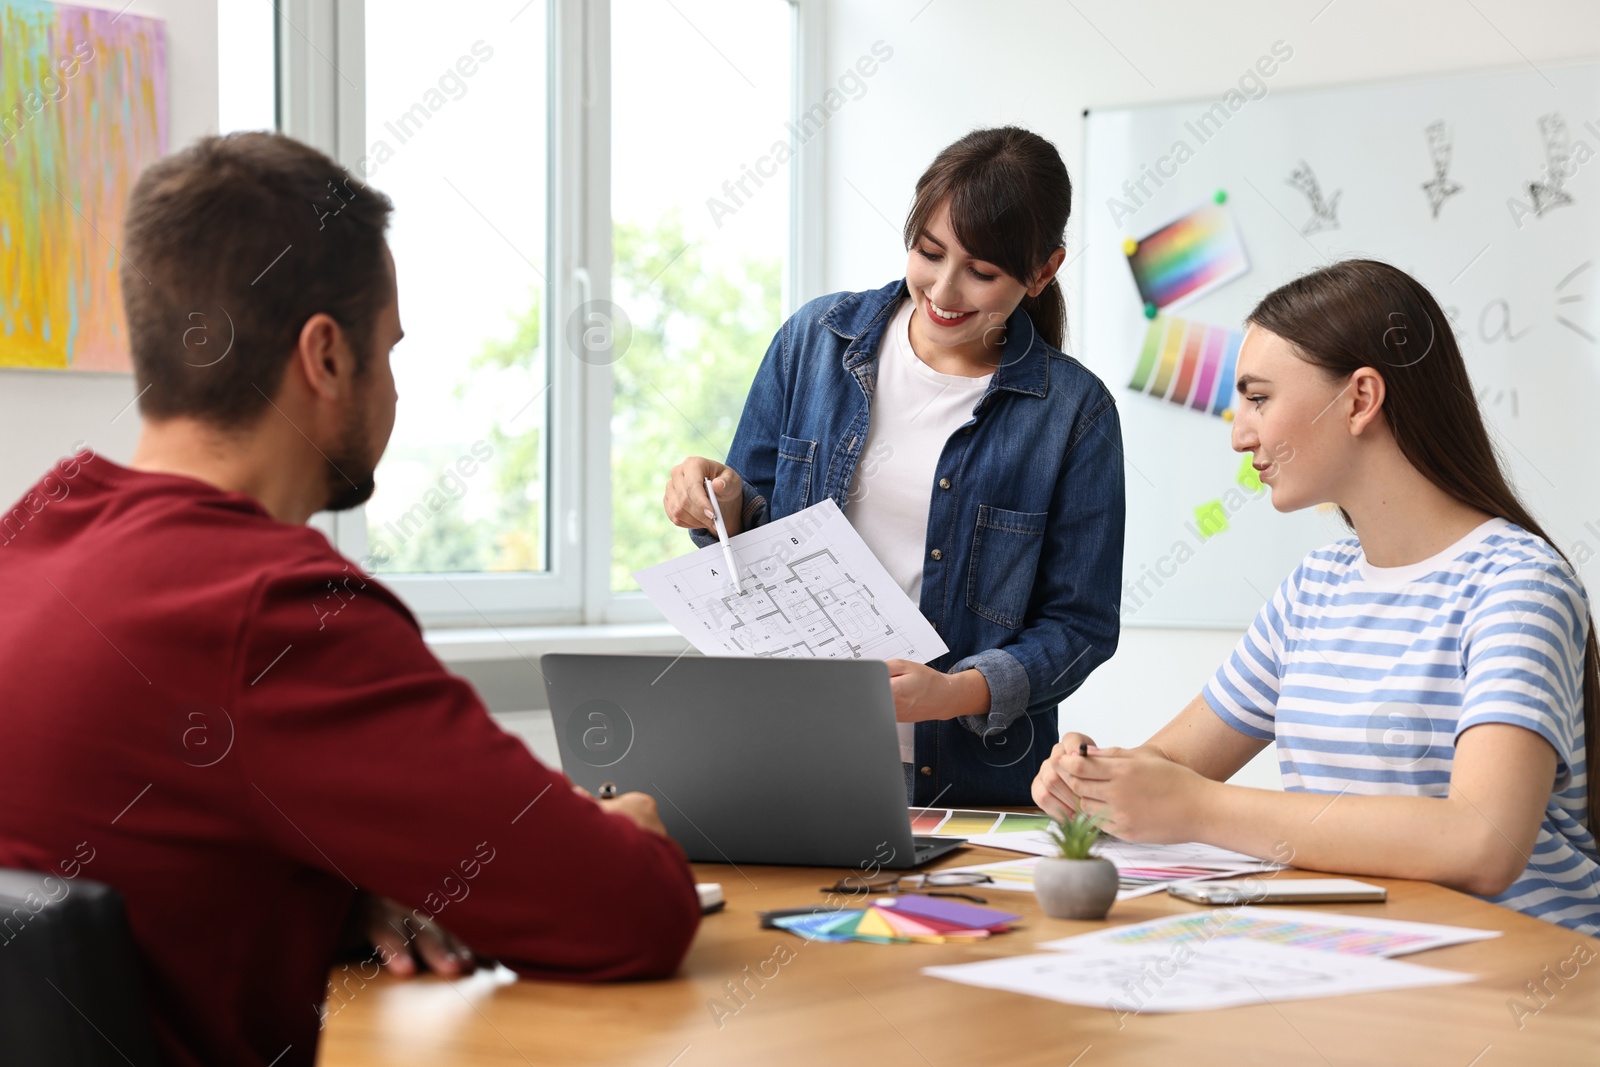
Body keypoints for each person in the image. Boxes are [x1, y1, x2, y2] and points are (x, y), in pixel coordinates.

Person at [0, 133, 701, 1067]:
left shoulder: (32, 535)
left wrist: (337, 894)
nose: (396, 386)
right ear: (326, 357)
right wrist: (631, 828)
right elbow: (632, 914)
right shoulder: (278, 614)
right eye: (391, 348)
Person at [1033, 259, 1600, 934]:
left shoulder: (1516, 584)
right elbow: (1176, 764)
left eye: (1260, 399)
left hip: (1520, 982)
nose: (1242, 433)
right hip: (1368, 958)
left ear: (1360, 398)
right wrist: (1092, 780)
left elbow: (1482, 842)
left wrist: (1199, 808)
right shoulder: (1316, 587)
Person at [663, 127, 1125, 806]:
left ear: (1043, 271)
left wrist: (952, 693)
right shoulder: (815, 342)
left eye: (983, 271)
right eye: (929, 252)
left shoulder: (1074, 412)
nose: (943, 289)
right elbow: (750, 536)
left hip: (968, 781)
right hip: (792, 752)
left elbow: (1081, 626)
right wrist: (717, 501)